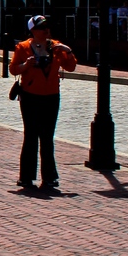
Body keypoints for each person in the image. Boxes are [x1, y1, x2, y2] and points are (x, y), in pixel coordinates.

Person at [9, 14, 78, 192]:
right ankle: (26, 177)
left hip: (51, 96)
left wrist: (68, 51)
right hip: (30, 95)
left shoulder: (56, 46)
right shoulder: (23, 47)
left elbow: (71, 67)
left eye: (47, 27)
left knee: (47, 138)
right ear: (33, 30)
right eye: (41, 27)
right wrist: (26, 65)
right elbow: (13, 68)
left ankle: (49, 177)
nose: (46, 30)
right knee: (31, 136)